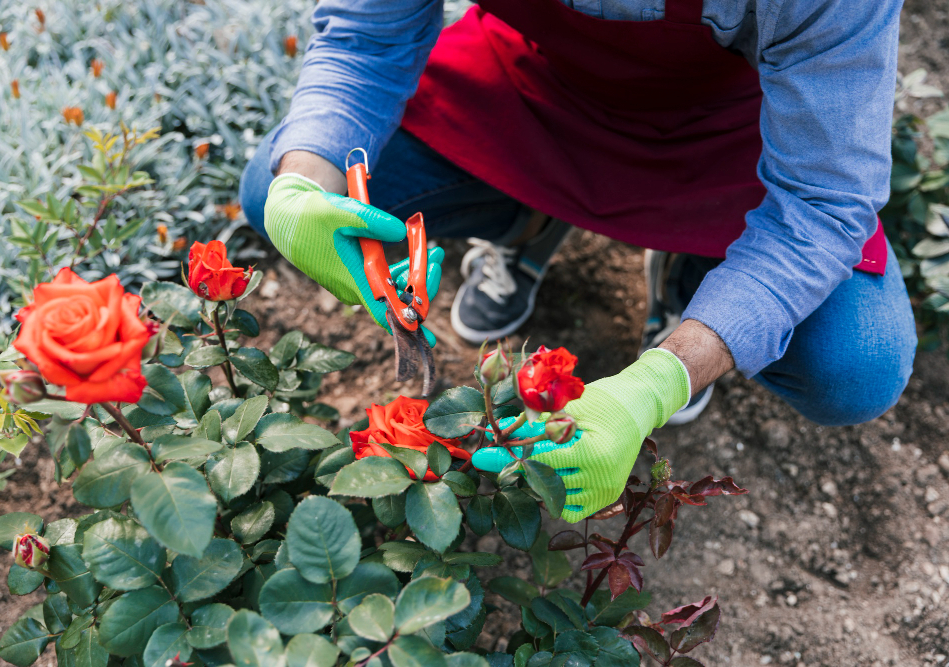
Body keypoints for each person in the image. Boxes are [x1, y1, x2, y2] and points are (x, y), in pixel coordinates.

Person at [239, 0, 917, 522]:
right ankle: (524, 218)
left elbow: (820, 200)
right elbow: (366, 41)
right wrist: (302, 186)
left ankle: (699, 275)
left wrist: (661, 381)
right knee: (280, 183)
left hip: (734, 134)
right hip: (533, 91)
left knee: (855, 364)